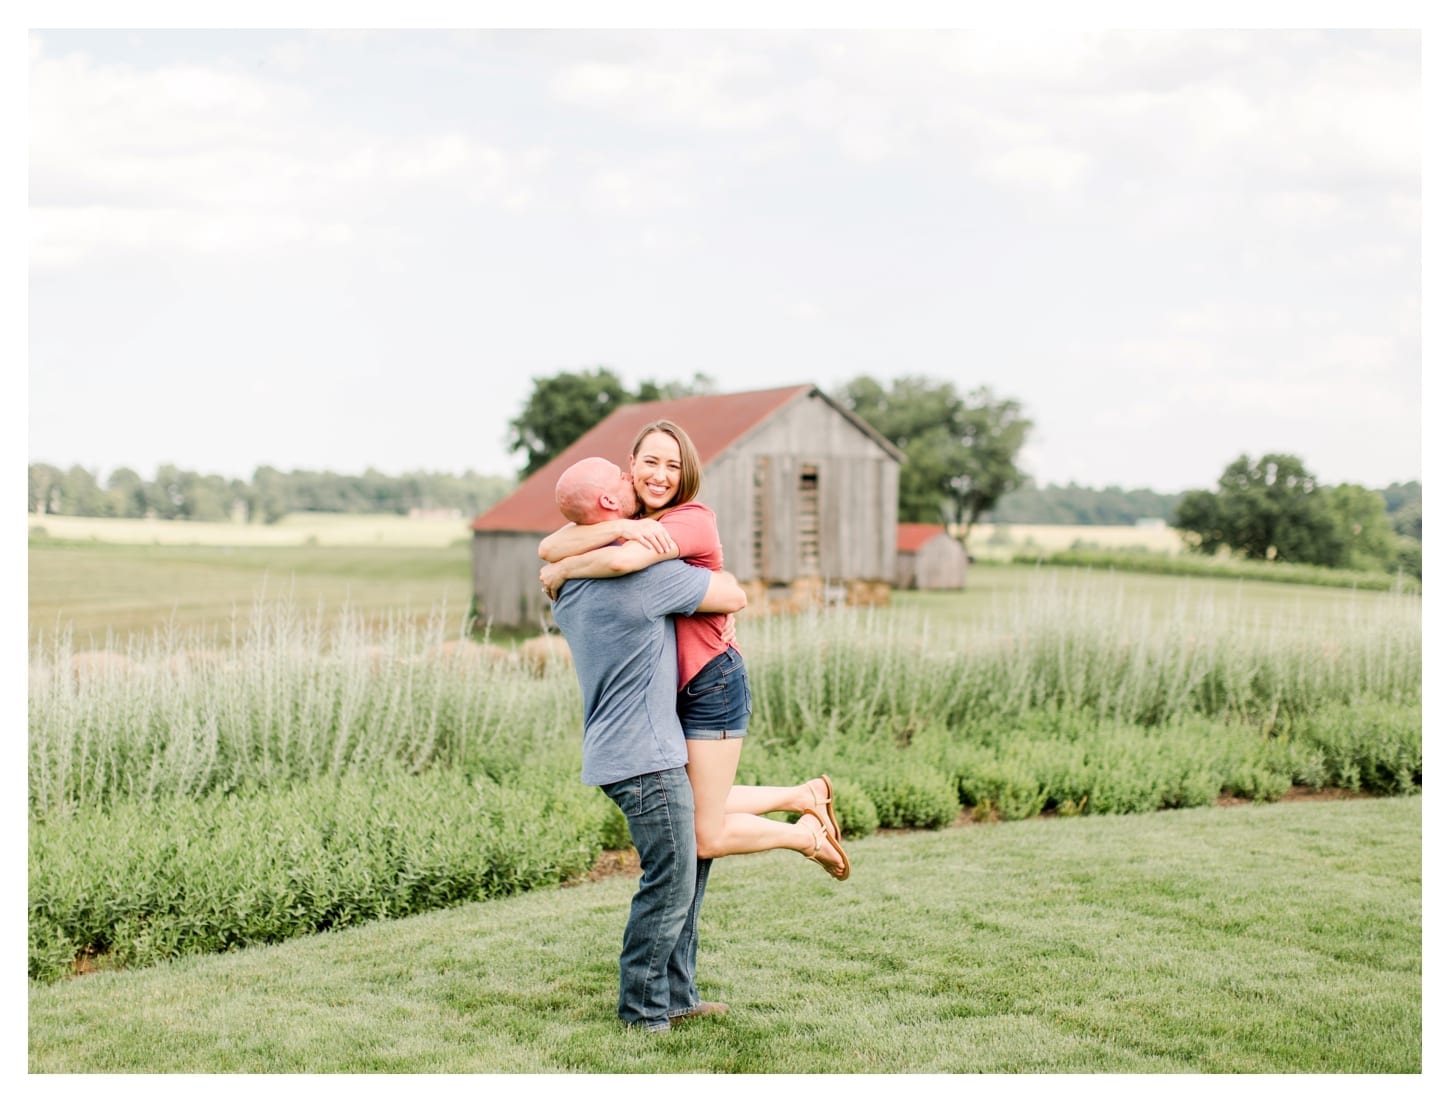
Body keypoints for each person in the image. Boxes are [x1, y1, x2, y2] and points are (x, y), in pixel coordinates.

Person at [539, 419, 849, 885]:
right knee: (694, 802)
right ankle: (804, 795)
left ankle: (806, 834)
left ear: (686, 474)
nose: (659, 475)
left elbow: (623, 561)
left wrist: (565, 572)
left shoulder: (690, 518)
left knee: (704, 835)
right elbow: (549, 544)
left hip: (711, 679)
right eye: (649, 463)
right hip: (672, 687)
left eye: (672, 465)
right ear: (632, 466)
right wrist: (610, 532)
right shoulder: (633, 521)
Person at [547, 455, 747, 1033]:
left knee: (686, 874)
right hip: (647, 757)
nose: (635, 480)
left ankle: (678, 997)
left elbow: (557, 552)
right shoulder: (641, 581)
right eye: (623, 478)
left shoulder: (570, 586)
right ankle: (641, 1011)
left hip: (623, 751)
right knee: (669, 883)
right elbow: (731, 593)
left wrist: (591, 544)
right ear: (610, 504)